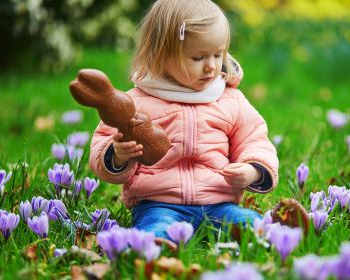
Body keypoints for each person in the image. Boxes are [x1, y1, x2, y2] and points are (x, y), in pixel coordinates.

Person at [89, 0, 279, 242]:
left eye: (218, 54)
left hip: (218, 202)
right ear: (161, 55)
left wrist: (253, 170)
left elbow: (254, 139)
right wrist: (117, 155)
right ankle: (155, 248)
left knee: (251, 225)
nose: (211, 66)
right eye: (198, 57)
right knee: (156, 229)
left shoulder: (230, 99)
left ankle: (272, 237)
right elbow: (101, 143)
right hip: (160, 203)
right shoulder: (135, 103)